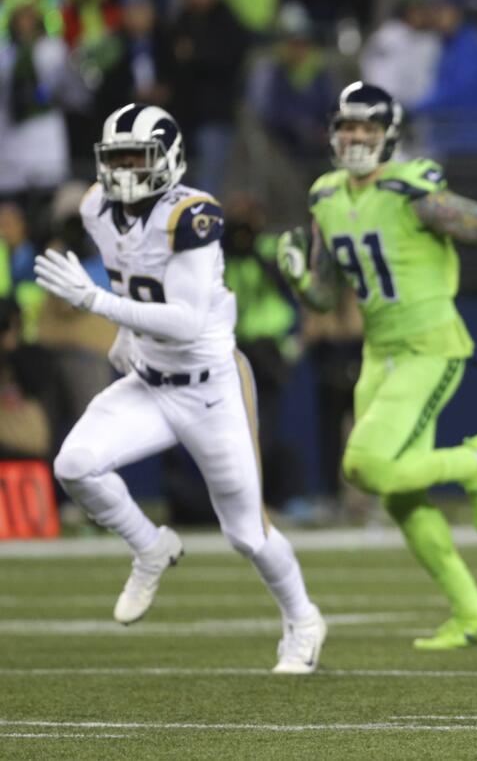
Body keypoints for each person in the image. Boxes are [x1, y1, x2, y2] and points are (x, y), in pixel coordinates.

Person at [33, 103, 326, 674]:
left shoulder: (192, 216)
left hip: (210, 386)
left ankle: (303, 618)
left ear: (168, 158)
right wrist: (122, 327)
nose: (122, 171)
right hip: (148, 378)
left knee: (247, 533)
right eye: (114, 159)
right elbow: (131, 281)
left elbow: (188, 320)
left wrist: (97, 305)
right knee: (75, 465)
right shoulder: (96, 207)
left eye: (134, 159)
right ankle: (149, 546)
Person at [277, 82, 477, 650]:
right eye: (347, 126)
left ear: (389, 134)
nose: (356, 137)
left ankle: (475, 462)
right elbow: (324, 295)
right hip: (378, 353)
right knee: (397, 496)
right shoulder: (324, 195)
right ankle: (473, 612)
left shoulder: (411, 189)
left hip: (428, 346)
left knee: (364, 466)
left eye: (368, 127)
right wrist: (298, 276)